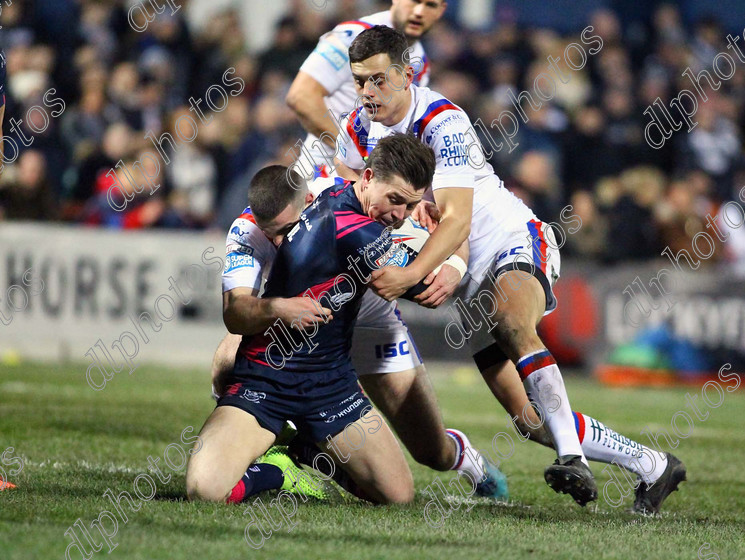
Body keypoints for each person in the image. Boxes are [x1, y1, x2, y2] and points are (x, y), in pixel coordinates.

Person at [335, 25, 686, 511]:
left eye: (377, 80)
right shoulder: (355, 130)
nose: (368, 92)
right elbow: (348, 201)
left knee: (512, 321)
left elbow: (457, 220)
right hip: (465, 281)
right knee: (528, 419)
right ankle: (652, 465)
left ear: (405, 73)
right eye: (359, 81)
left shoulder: (442, 121)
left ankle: (572, 457)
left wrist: (413, 273)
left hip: (512, 242)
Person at [209, 0, 506, 501]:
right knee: (227, 362)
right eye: (361, 82)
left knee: (426, 453)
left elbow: (441, 229)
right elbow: (302, 98)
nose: (369, 92)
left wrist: (449, 266)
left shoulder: (410, 182)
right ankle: (291, 455)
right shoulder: (348, 58)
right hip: (315, 263)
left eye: (435, 4)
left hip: (370, 308)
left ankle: (462, 458)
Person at [187, 134, 500, 505]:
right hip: (268, 379)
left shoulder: (340, 200)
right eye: (395, 200)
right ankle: (272, 471)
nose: (399, 213)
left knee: (399, 496)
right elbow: (426, 289)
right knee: (203, 490)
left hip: (332, 383)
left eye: (408, 203)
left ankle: (307, 451)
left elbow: (402, 254)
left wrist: (424, 217)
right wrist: (454, 243)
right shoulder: (278, 228)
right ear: (367, 179)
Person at [286, 0, 443, 182]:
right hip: (320, 178)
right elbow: (301, 96)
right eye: (414, 1)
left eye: (430, 5)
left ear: (441, 10)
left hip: (374, 186)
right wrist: (357, 156)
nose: (419, 12)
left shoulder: (421, 62)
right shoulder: (352, 35)